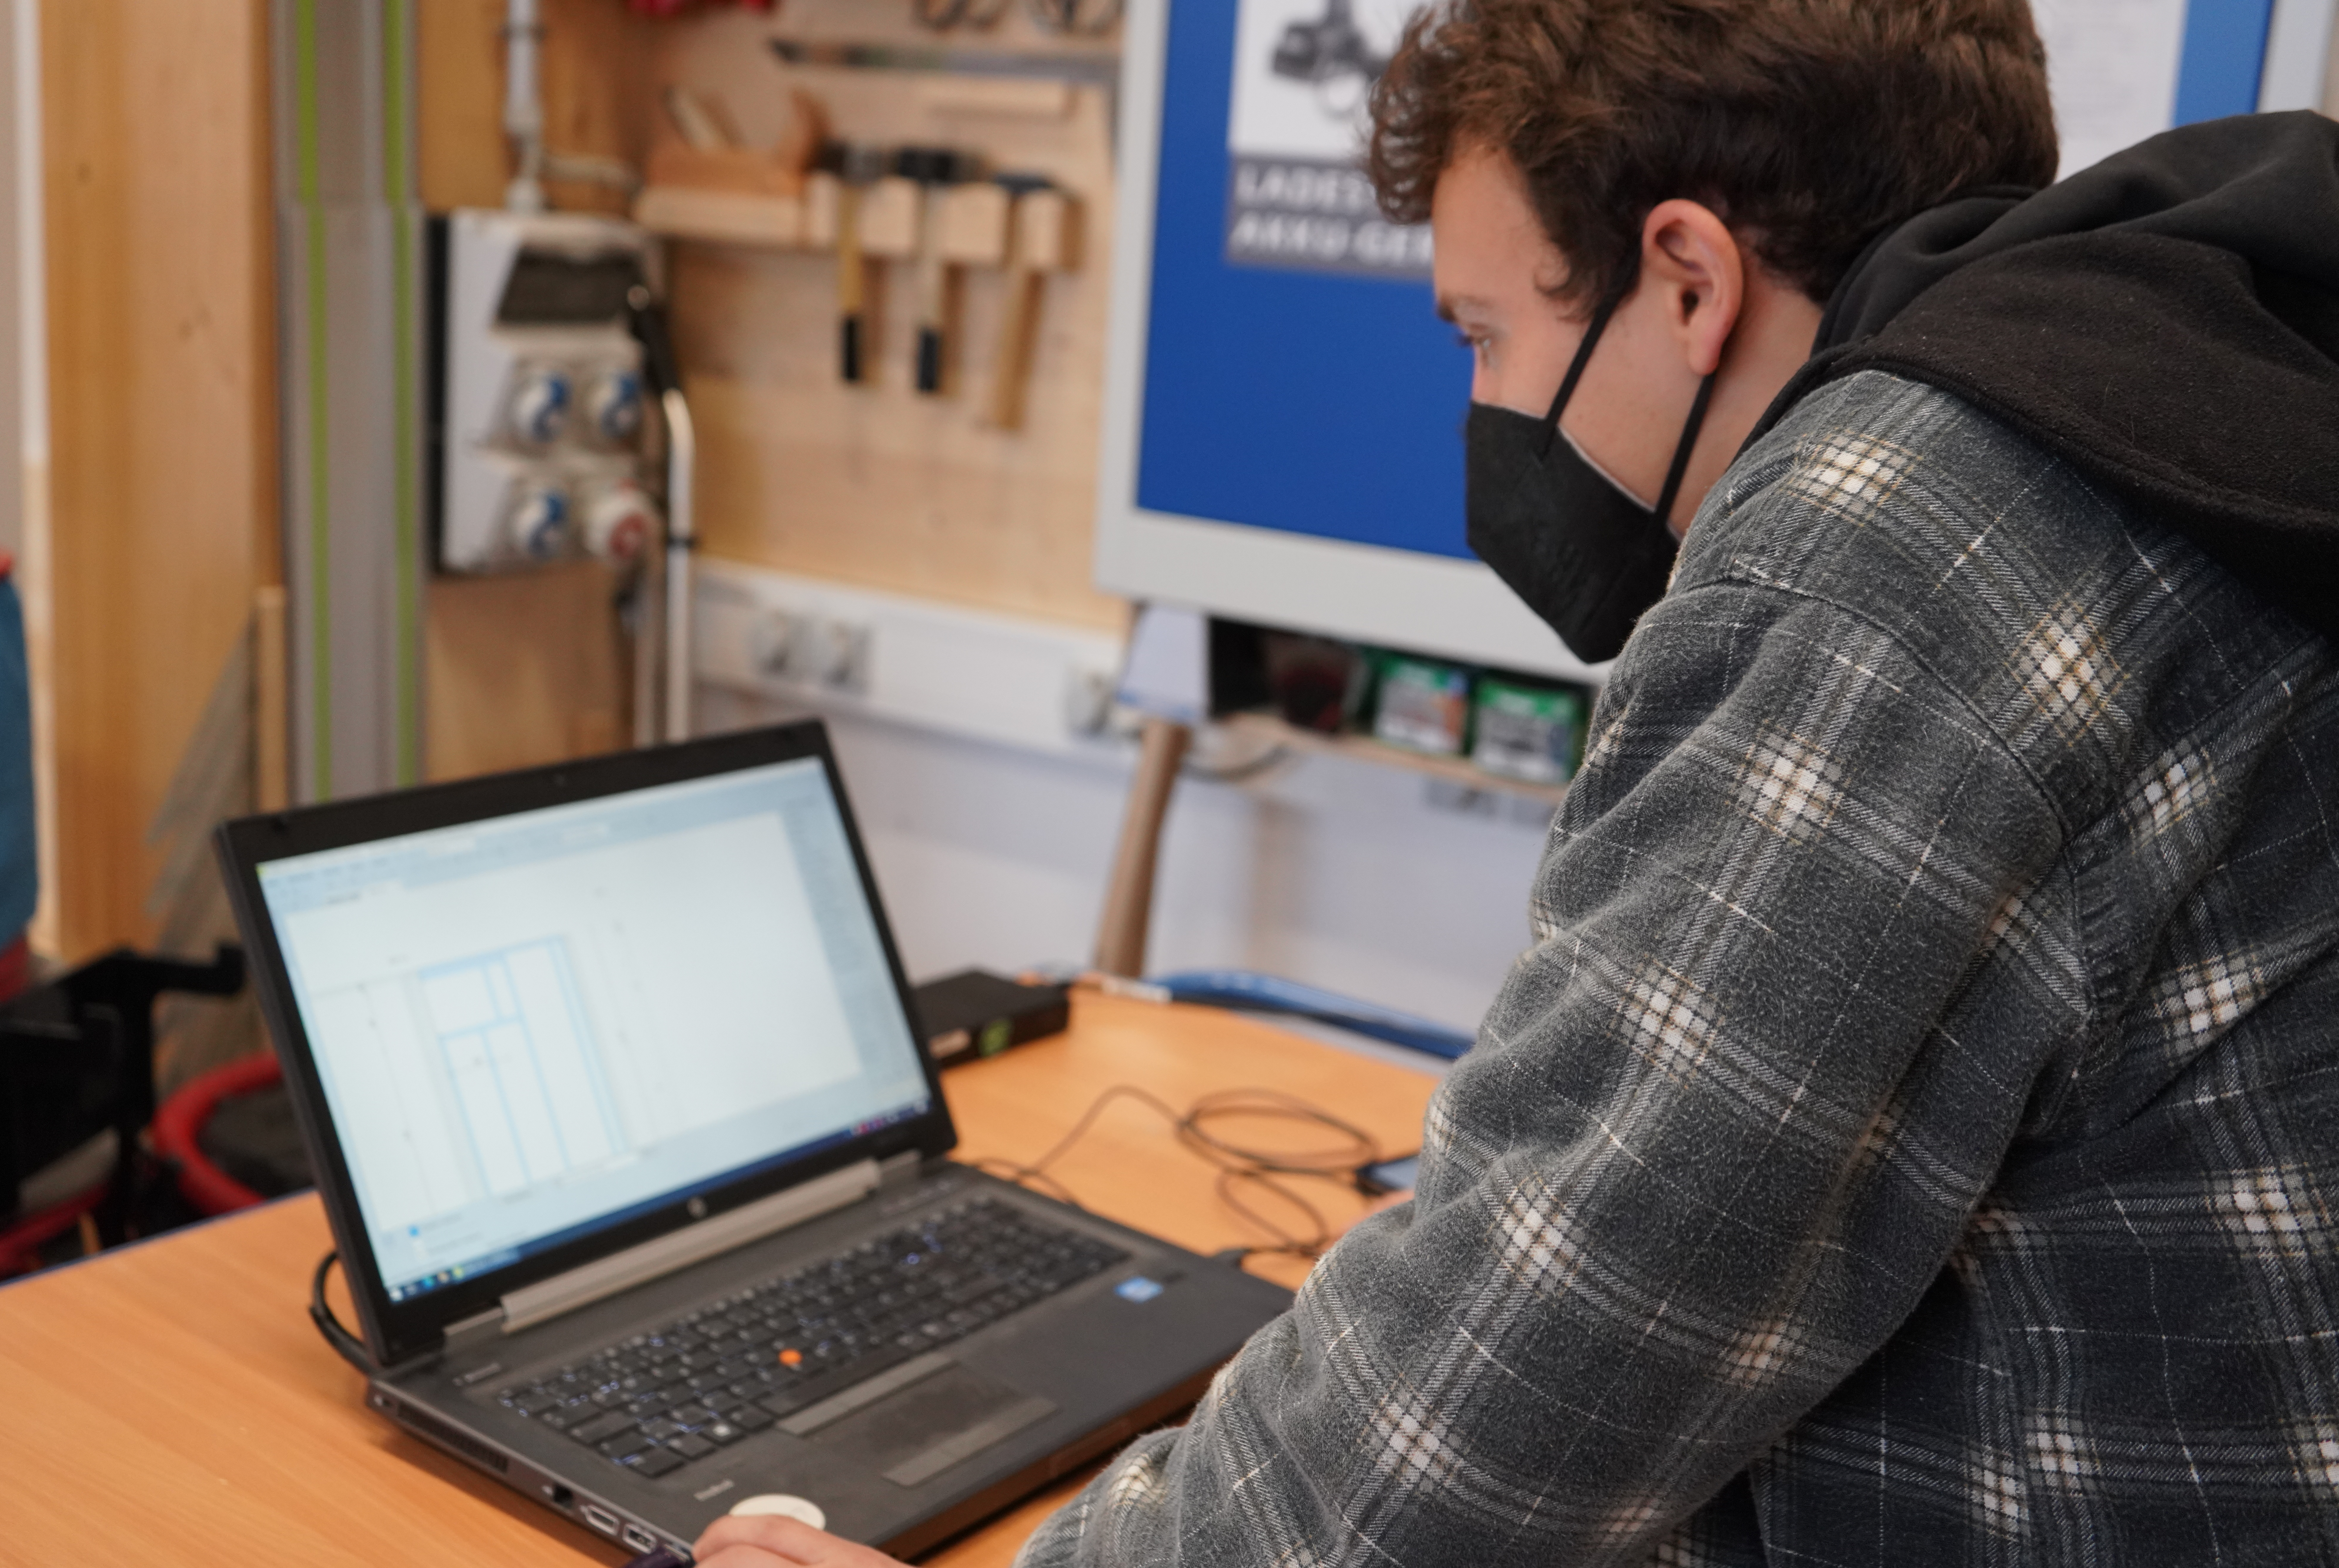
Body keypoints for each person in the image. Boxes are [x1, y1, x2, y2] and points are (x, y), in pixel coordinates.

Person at [698, 0, 2339, 1561]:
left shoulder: (1898, 539)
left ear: (1689, 280)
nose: (1482, 408)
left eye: (1487, 333)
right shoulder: (2157, 369)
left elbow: (1529, 1358)